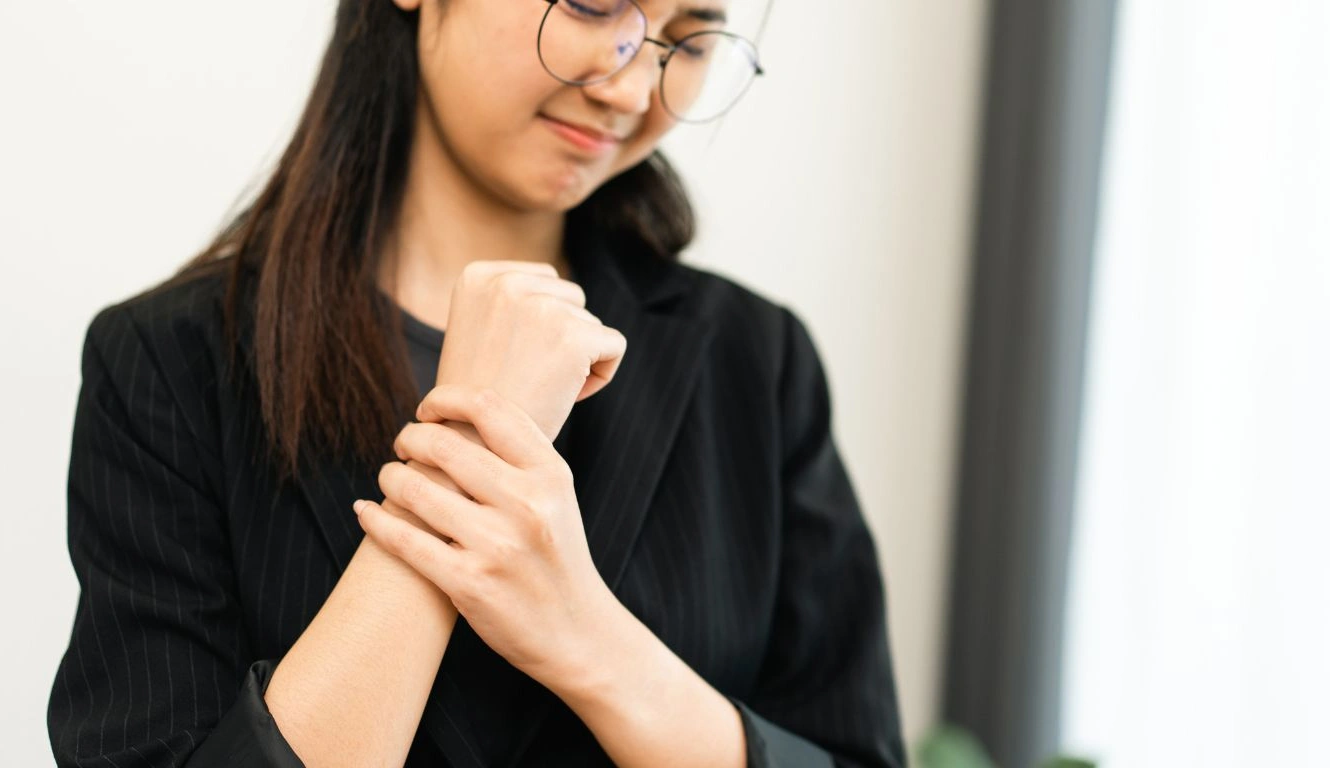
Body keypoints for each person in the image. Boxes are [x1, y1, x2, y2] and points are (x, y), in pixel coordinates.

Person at [46, 0, 906, 765]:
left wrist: (586, 635)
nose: (634, 89)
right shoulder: (168, 363)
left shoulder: (756, 361)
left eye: (687, 40)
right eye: (596, 5)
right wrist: (468, 449)